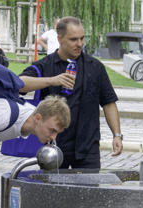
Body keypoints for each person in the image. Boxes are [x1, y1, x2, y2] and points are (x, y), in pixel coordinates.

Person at [20, 17, 123, 168]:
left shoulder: (95, 67)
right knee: (53, 191)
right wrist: (51, 80)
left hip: (88, 148)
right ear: (60, 39)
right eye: (73, 39)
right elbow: (20, 84)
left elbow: (108, 103)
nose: (79, 44)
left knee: (89, 191)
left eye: (82, 38)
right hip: (53, 147)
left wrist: (117, 135)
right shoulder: (45, 66)